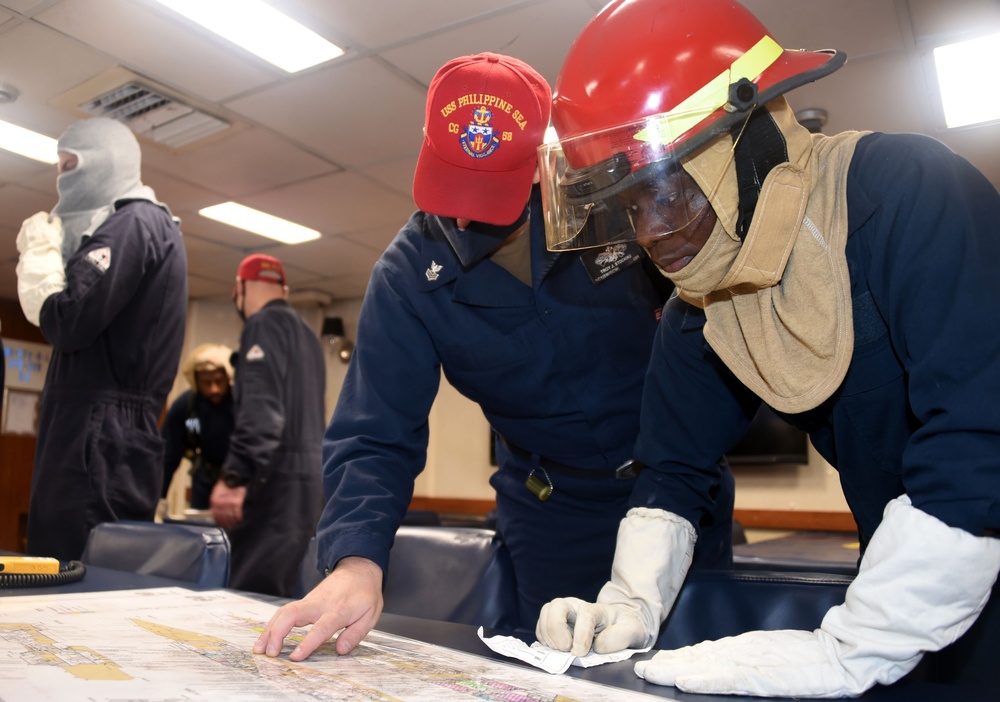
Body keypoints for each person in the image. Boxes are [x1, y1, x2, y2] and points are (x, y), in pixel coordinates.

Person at [534, 0, 1000, 697]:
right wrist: (627, 604)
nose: (654, 233)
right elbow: (672, 470)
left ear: (747, 138)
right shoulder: (703, 301)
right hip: (912, 573)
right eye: (632, 206)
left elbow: (981, 431)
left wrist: (860, 646)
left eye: (667, 190)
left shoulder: (909, 191)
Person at [253, 51, 731, 662]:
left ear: (542, 165)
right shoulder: (406, 275)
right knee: (561, 674)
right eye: (450, 183)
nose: (461, 212)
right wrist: (357, 560)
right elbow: (375, 434)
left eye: (490, 188)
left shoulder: (615, 206)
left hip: (676, 486)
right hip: (550, 512)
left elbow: (709, 327)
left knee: (695, 669)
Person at [15, 117, 188, 562]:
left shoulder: (132, 223)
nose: (61, 177)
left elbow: (67, 319)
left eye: (70, 164)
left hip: (96, 437)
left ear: (105, 163)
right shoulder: (152, 225)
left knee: (72, 574)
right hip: (105, 433)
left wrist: (41, 261)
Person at [211, 253, 326, 598]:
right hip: (308, 485)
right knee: (282, 591)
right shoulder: (308, 336)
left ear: (239, 288)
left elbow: (262, 412)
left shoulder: (262, 325)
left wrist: (235, 477)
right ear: (284, 290)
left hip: (275, 481)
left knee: (250, 594)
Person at [160, 343, 236, 510]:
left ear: (228, 378)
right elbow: (167, 457)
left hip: (241, 482)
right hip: (205, 482)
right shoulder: (186, 407)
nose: (213, 389)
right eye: (206, 383)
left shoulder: (243, 404)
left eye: (218, 381)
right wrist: (158, 499)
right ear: (196, 382)